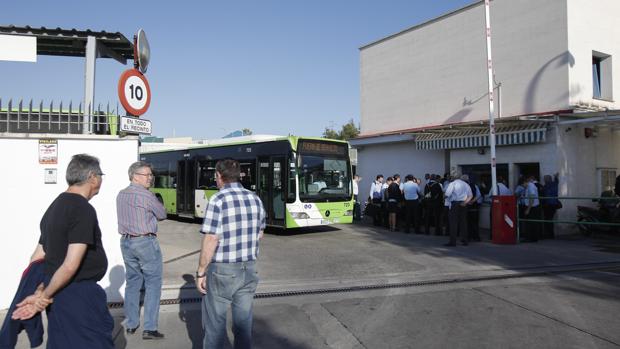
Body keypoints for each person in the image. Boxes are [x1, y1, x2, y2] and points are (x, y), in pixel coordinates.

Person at [12, 154, 114, 348]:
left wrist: (42, 288)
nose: (101, 180)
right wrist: (44, 296)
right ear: (92, 176)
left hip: (58, 293)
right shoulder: (82, 209)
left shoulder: (54, 206)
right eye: (101, 175)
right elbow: (70, 264)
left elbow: (38, 257)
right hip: (78, 294)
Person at [197, 159, 266, 349]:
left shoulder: (217, 199)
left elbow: (211, 238)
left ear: (219, 176)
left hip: (223, 271)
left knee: (215, 326)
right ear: (238, 176)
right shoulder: (255, 198)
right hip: (249, 268)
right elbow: (260, 233)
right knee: (243, 325)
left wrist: (201, 271)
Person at [117, 161, 167, 339]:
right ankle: (150, 328)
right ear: (135, 176)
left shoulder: (121, 194)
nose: (150, 178)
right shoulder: (146, 196)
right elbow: (162, 214)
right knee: (153, 283)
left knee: (132, 282)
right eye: (147, 175)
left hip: (126, 242)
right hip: (145, 241)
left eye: (151, 175)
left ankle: (131, 324)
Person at [444, 174, 473, 246]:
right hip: (463, 204)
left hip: (455, 204)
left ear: (453, 177)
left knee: (453, 223)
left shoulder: (452, 184)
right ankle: (465, 240)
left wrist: (443, 197)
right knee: (463, 222)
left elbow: (447, 194)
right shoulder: (466, 185)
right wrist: (465, 202)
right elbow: (471, 195)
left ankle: (453, 242)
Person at [522, 176, 542, 242]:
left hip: (533, 207)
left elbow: (532, 198)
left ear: (525, 182)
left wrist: (528, 209)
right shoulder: (529, 186)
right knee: (531, 223)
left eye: (523, 184)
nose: (523, 186)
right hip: (532, 207)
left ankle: (531, 238)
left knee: (531, 223)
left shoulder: (531, 186)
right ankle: (532, 237)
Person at [542, 174, 561, 239]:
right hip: (554, 204)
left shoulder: (545, 186)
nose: (544, 180)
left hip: (548, 204)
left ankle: (549, 234)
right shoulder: (554, 184)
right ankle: (550, 234)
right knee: (549, 219)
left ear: (547, 179)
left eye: (545, 179)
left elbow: (543, 194)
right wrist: (556, 177)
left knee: (548, 219)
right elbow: (557, 181)